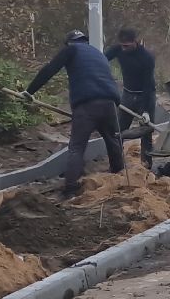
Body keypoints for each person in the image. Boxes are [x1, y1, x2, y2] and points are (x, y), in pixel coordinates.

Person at [27, 30, 125, 196]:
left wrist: (30, 91)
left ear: (69, 42)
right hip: (110, 103)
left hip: (87, 105)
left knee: (77, 147)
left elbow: (50, 69)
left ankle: (70, 189)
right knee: (113, 140)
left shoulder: (71, 50)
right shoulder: (98, 54)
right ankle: (119, 177)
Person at [104, 28, 158, 163]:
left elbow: (148, 85)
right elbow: (102, 59)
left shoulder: (146, 58)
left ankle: (146, 164)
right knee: (119, 130)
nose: (123, 49)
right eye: (122, 45)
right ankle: (116, 163)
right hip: (127, 95)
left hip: (145, 96)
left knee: (146, 131)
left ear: (135, 42)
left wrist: (146, 110)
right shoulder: (118, 49)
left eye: (126, 46)